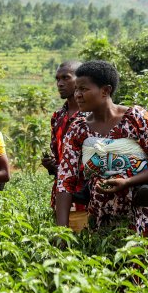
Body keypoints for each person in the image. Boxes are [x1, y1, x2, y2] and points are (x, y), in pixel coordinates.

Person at [55, 61, 148, 237]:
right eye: (77, 89)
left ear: (105, 91)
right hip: (99, 217)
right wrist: (61, 232)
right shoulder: (78, 129)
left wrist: (128, 182)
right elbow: (65, 180)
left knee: (138, 253)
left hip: (140, 217)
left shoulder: (136, 119)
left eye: (83, 89)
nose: (77, 95)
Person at [43, 61, 88, 228]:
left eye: (66, 78)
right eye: (57, 79)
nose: (60, 83)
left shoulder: (91, 116)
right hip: (61, 195)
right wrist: (52, 166)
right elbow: (59, 156)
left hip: (85, 197)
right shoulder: (58, 117)